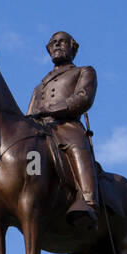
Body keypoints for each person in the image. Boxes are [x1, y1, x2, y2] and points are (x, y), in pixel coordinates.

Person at [27, 31, 98, 228]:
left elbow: (84, 97)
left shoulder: (84, 71)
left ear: (72, 47)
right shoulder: (39, 86)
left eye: (62, 42)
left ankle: (89, 201)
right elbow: (29, 113)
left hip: (66, 125)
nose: (57, 46)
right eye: (53, 43)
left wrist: (54, 109)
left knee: (77, 146)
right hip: (39, 129)